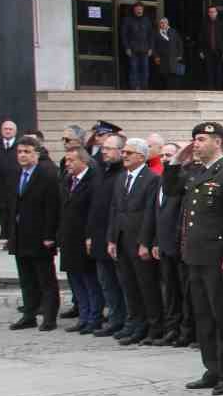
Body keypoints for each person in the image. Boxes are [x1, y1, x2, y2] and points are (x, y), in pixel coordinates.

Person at [169, 122, 223, 396]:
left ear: (218, 142)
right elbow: (171, 190)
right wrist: (177, 160)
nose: (196, 144)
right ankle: (211, 368)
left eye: (201, 139)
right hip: (195, 255)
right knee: (203, 315)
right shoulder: (195, 172)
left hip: (216, 257)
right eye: (194, 139)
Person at [107, 137, 163, 346]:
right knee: (128, 285)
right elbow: (114, 209)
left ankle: (154, 326)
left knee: (146, 286)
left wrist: (145, 242)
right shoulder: (121, 178)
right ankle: (136, 322)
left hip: (139, 240)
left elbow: (150, 212)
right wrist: (112, 239)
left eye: (129, 153)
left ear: (141, 156)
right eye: (124, 152)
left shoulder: (151, 179)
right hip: (122, 239)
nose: (124, 156)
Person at [6, 134, 61, 330]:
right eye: (20, 152)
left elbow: (52, 208)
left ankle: (50, 317)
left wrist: (49, 235)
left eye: (27, 152)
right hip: (20, 236)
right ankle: (29, 314)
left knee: (45, 279)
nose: (22, 155)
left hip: (40, 237)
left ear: (36, 154)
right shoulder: (16, 174)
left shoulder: (47, 175)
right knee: (26, 279)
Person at [58, 146, 103, 333]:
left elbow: (94, 212)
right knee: (75, 281)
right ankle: (83, 316)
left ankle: (94, 317)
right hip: (69, 238)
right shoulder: (68, 181)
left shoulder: (93, 181)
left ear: (83, 161)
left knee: (89, 281)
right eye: (66, 160)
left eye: (71, 160)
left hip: (84, 238)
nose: (67, 164)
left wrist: (90, 236)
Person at [87, 131, 127, 336]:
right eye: (103, 148)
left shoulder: (122, 175)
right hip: (99, 236)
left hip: (115, 237)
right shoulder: (102, 171)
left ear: (121, 151)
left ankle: (124, 319)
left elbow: (117, 209)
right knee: (106, 283)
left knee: (120, 282)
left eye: (109, 148)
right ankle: (114, 317)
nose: (104, 152)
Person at [151, 142, 190, 347]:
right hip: (164, 244)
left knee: (183, 291)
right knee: (170, 291)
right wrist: (156, 240)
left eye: (170, 155)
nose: (165, 158)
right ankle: (171, 328)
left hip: (179, 245)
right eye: (163, 155)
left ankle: (185, 330)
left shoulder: (182, 179)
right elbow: (158, 215)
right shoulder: (162, 180)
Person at [0, 119, 21, 242]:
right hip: (1, 185)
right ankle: (4, 234)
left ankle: (13, 235)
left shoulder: (20, 146)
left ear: (15, 132)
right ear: (1, 131)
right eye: (5, 129)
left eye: (10, 129)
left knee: (14, 209)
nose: (7, 131)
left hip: (16, 185)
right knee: (2, 209)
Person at [120, 3, 155, 90]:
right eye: (137, 9)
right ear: (134, 10)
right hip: (133, 49)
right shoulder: (128, 20)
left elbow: (151, 35)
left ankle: (144, 88)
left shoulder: (147, 20)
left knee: (145, 70)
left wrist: (151, 48)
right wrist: (127, 47)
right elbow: (124, 35)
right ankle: (134, 88)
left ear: (143, 10)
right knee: (133, 69)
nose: (139, 10)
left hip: (145, 49)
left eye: (140, 9)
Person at [201, 4, 223, 90]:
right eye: (210, 12)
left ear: (216, 13)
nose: (212, 13)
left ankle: (218, 90)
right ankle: (210, 89)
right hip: (208, 51)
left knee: (219, 72)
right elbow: (201, 39)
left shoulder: (222, 24)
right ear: (208, 14)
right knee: (209, 72)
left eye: (213, 12)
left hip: (219, 51)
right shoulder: (204, 24)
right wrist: (201, 51)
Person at [152, 16, 184, 90]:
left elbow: (179, 43)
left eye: (165, 23)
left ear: (167, 24)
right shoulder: (156, 33)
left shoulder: (173, 32)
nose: (163, 24)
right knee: (164, 76)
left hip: (173, 58)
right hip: (162, 58)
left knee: (173, 76)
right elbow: (153, 46)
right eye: (161, 23)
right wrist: (156, 56)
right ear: (159, 24)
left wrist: (180, 54)